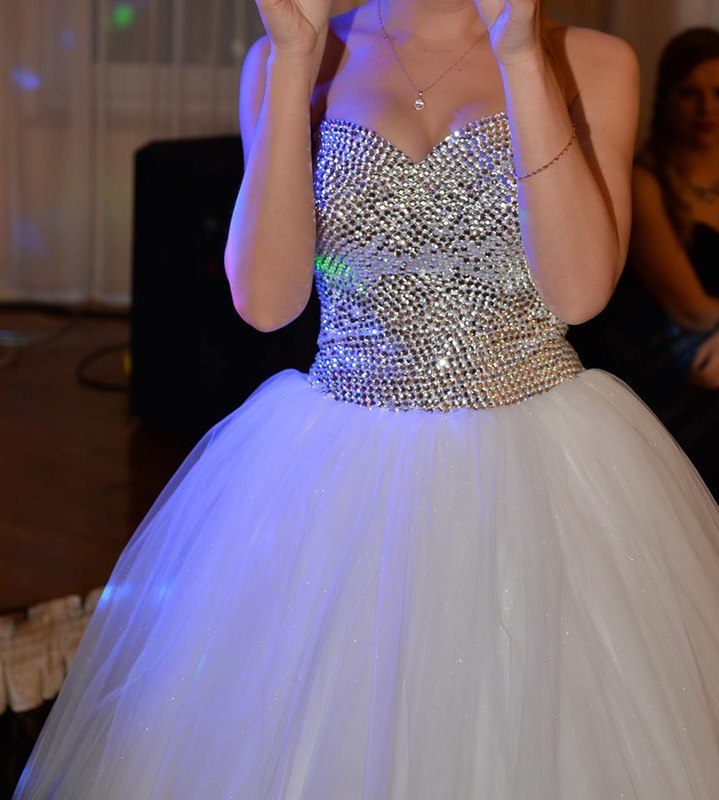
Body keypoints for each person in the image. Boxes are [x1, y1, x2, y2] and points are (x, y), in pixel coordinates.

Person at [14, 1, 719, 798]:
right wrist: (292, 59)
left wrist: (520, 56)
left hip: (538, 459)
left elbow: (580, 292)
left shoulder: (589, 60)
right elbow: (266, 302)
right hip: (337, 461)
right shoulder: (289, 56)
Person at [600, 27, 719, 499]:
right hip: (666, 360)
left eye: (718, 93)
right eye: (689, 93)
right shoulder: (643, 180)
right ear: (665, 97)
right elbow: (692, 309)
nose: (706, 108)